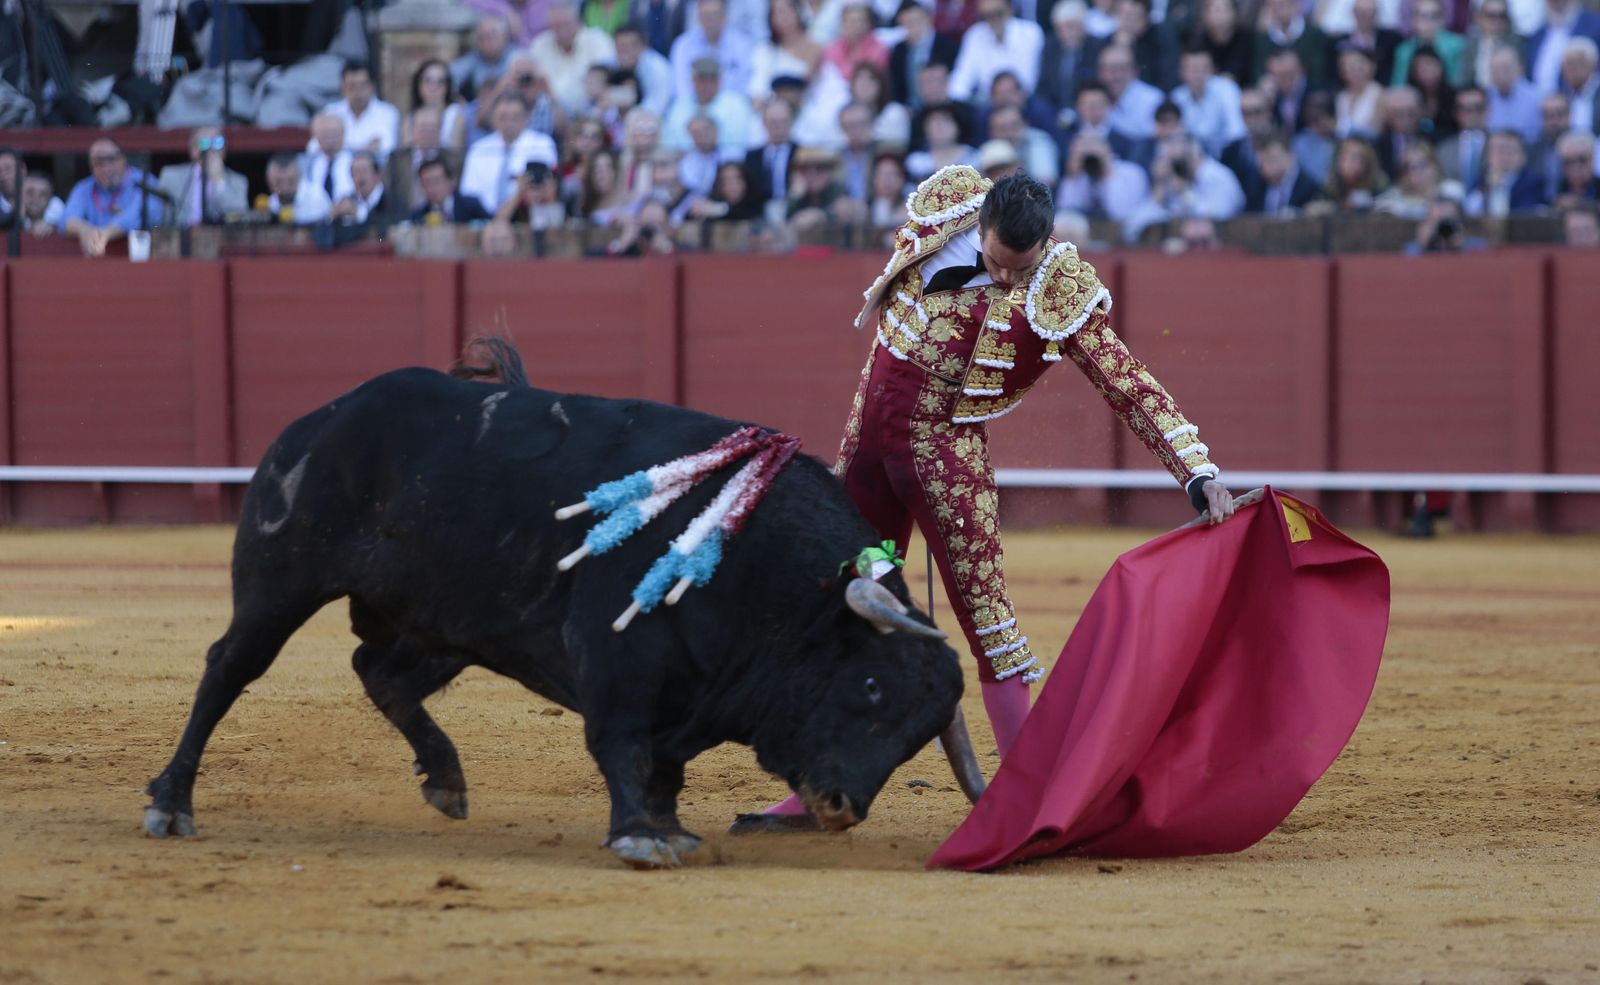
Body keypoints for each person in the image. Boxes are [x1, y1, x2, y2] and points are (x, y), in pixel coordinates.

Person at [739, 169, 1231, 832]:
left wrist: (1196, 471)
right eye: (996, 262)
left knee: (989, 624)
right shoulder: (947, 206)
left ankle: (1030, 799)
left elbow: (1127, 383)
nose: (1004, 279)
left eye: (1017, 269)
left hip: (943, 460)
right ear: (981, 227)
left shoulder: (1057, 286)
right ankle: (818, 785)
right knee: (843, 599)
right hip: (871, 457)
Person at [59, 139, 167, 256]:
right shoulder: (84, 187)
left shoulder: (145, 182)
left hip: (137, 259)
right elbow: (67, 219)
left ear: (123, 159)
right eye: (99, 163)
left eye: (111, 160)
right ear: (91, 166)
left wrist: (106, 233)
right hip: (95, 259)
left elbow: (142, 214)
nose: (106, 168)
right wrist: (85, 230)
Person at [460, 92, 560, 211]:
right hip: (482, 220)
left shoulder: (542, 144)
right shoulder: (479, 149)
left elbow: (548, 191)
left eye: (515, 117)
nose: (509, 123)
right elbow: (468, 193)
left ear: (527, 117)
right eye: (503, 116)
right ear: (493, 117)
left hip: (525, 218)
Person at [530, 0, 618, 115]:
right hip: (552, 112)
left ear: (578, 22)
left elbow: (610, 80)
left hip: (593, 111)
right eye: (556, 25)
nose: (562, 29)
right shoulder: (540, 45)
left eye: (566, 24)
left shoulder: (598, 41)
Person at [949, 0, 1046, 102]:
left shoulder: (1030, 33)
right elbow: (961, 80)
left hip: (1024, 102)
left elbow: (1031, 81)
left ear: (1010, 10)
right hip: (989, 106)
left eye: (997, 13)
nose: (993, 20)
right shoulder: (975, 35)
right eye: (987, 15)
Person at [157, 126, 249, 227]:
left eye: (217, 143)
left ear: (224, 150)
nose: (211, 150)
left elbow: (240, 217)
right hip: (181, 238)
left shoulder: (238, 181)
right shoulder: (171, 176)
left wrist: (219, 181)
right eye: (204, 143)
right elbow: (160, 220)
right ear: (192, 150)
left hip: (219, 239)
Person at [320, 61, 400, 162]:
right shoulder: (330, 112)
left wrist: (340, 148)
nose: (357, 92)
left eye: (363, 86)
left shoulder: (388, 113)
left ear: (372, 86)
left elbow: (387, 148)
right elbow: (314, 148)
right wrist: (367, 148)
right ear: (343, 88)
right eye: (352, 86)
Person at [892, 0, 959, 108]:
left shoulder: (948, 47)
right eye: (908, 23)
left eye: (917, 20)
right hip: (910, 108)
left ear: (929, 19)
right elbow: (896, 87)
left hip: (942, 104)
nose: (914, 27)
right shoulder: (899, 50)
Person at [1245, 131, 1327, 213]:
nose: (1267, 167)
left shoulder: (1310, 188)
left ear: (1290, 155)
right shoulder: (1255, 187)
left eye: (1272, 159)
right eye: (1262, 161)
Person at [406, 59, 469, 154]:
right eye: (428, 81)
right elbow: (405, 157)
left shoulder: (455, 115)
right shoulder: (410, 118)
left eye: (440, 82)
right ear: (418, 84)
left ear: (447, 86)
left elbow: (455, 157)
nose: (433, 87)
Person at [410, 157, 495, 223]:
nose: (432, 188)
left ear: (451, 181)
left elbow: (492, 226)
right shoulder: (418, 216)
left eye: (436, 181)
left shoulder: (471, 207)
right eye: (427, 183)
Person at [453, 16, 514, 100]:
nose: (486, 42)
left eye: (492, 35)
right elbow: (451, 76)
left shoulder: (516, 56)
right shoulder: (474, 58)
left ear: (504, 36)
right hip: (481, 108)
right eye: (481, 37)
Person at [263, 153, 332, 225]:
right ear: (269, 181)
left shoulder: (317, 197)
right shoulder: (272, 203)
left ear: (299, 177)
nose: (285, 188)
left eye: (290, 182)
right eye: (278, 182)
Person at [302, 112, 355, 203]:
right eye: (326, 135)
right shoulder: (309, 163)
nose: (331, 140)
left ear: (343, 134)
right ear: (316, 137)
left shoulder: (355, 160)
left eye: (335, 134)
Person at [330, 150, 391, 229]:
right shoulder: (348, 200)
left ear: (377, 175)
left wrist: (358, 214)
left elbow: (384, 228)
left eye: (364, 170)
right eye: (356, 172)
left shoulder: (392, 199)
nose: (360, 176)